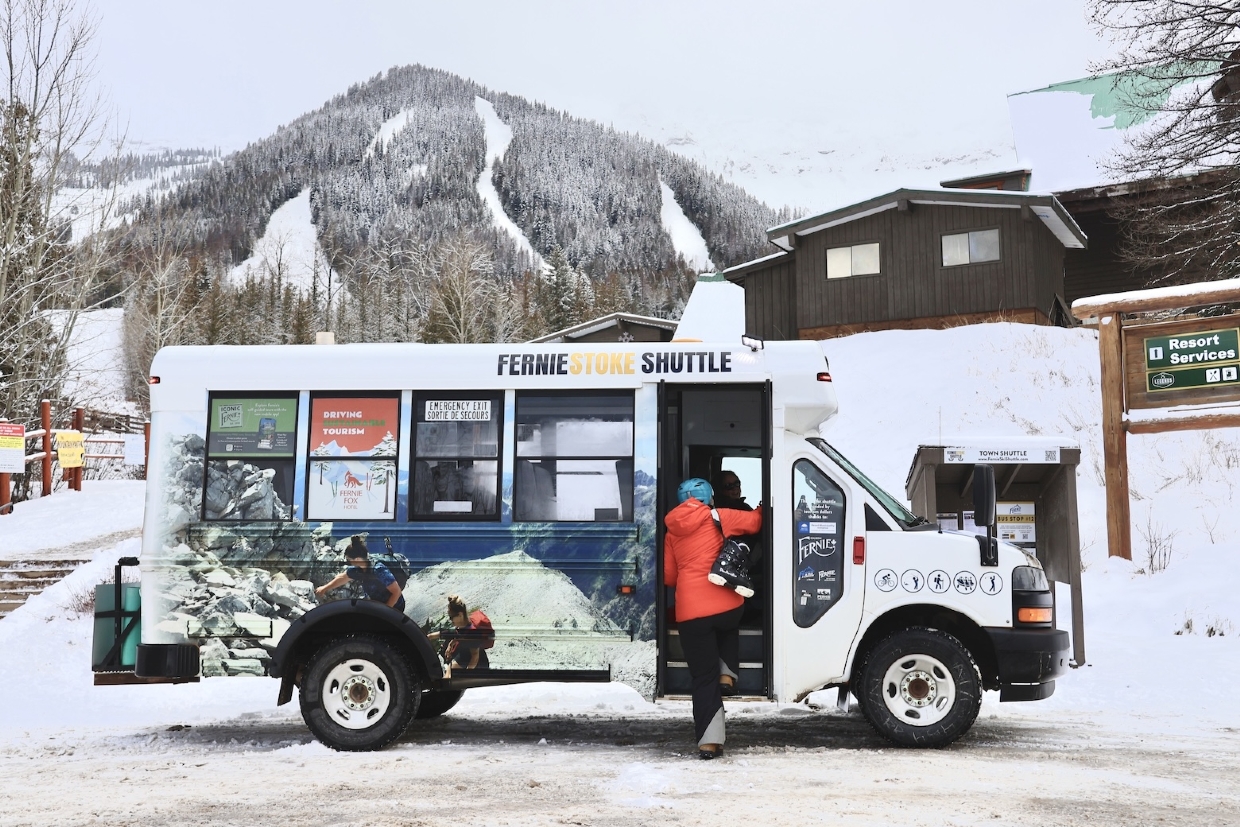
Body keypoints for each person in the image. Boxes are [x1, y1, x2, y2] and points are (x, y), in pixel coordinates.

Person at [664, 477, 762, 759]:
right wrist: (762, 506)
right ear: (709, 497)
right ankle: (727, 675)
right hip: (726, 605)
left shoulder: (671, 532)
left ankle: (709, 743)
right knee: (729, 622)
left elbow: (670, 577)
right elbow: (756, 523)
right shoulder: (719, 516)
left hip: (690, 613)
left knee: (702, 679)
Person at [314, 535, 405, 612]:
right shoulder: (359, 569)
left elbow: (396, 592)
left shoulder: (379, 570)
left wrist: (385, 612)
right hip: (379, 605)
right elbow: (343, 577)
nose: (349, 563)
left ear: (357, 559)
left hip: (395, 607)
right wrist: (325, 588)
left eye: (349, 560)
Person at [427, 594, 491, 676]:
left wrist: (467, 674)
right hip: (465, 655)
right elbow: (452, 634)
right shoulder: (462, 626)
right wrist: (449, 644)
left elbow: (475, 657)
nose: (450, 620)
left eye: (451, 617)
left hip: (479, 664)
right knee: (449, 671)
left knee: (449, 674)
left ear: (460, 615)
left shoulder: (472, 633)